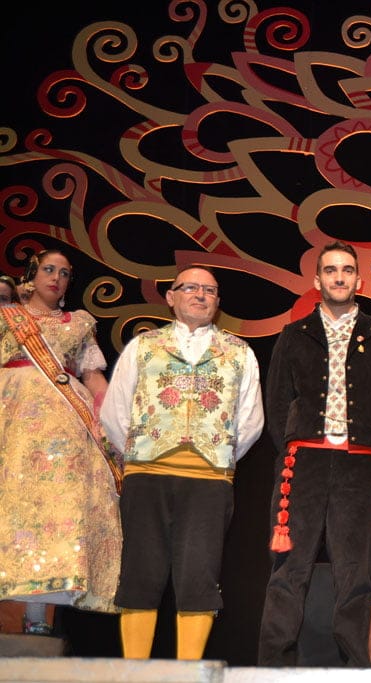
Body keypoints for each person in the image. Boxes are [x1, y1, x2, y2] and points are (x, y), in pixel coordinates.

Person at [258, 241, 371, 667]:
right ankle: (272, 667)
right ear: (317, 279)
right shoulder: (295, 335)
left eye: (346, 270)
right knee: (288, 569)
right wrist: (295, 442)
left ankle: (356, 666)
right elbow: (277, 402)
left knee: (355, 572)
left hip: (359, 465)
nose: (339, 277)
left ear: (358, 280)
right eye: (331, 270)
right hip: (303, 464)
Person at [100, 265, 264, 660]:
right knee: (140, 572)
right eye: (190, 287)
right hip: (147, 473)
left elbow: (250, 420)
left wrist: (218, 455)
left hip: (209, 480)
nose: (200, 295)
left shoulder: (239, 352)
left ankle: (188, 672)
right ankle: (134, 672)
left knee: (199, 575)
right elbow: (115, 410)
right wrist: (141, 451)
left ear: (218, 302)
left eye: (210, 290)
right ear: (171, 297)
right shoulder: (143, 346)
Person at [0, 249, 121, 633]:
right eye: (49, 270)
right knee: (14, 509)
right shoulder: (7, 318)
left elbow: (93, 376)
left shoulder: (79, 323)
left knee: (58, 515)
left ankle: (38, 620)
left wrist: (110, 418)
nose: (56, 278)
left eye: (65, 273)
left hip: (67, 430)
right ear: (31, 276)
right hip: (14, 421)